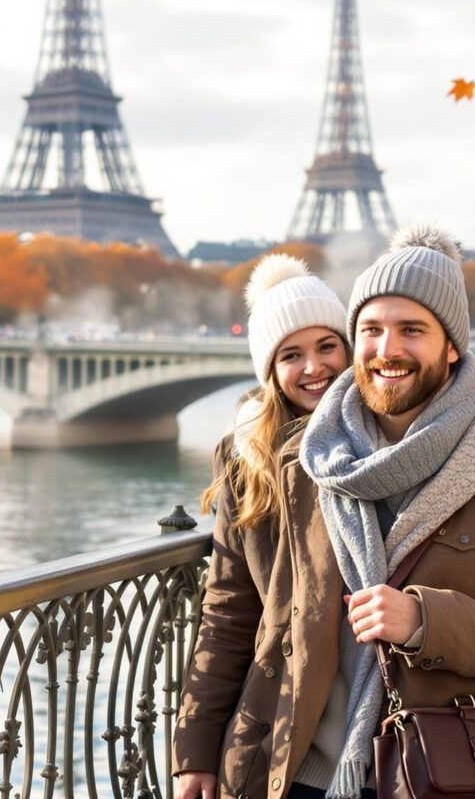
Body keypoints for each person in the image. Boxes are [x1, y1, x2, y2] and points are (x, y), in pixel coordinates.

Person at [281, 225, 475, 799]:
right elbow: (250, 618)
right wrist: (200, 751)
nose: (387, 350)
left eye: (411, 330)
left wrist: (426, 622)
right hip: (304, 771)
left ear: (451, 346)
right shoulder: (309, 462)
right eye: (370, 330)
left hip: (441, 769)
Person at [176, 255, 349, 799]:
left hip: (389, 746)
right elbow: (228, 609)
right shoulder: (245, 459)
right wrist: (195, 752)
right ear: (271, 371)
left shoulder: (395, 442)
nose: (313, 367)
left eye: (327, 346)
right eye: (290, 355)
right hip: (282, 744)